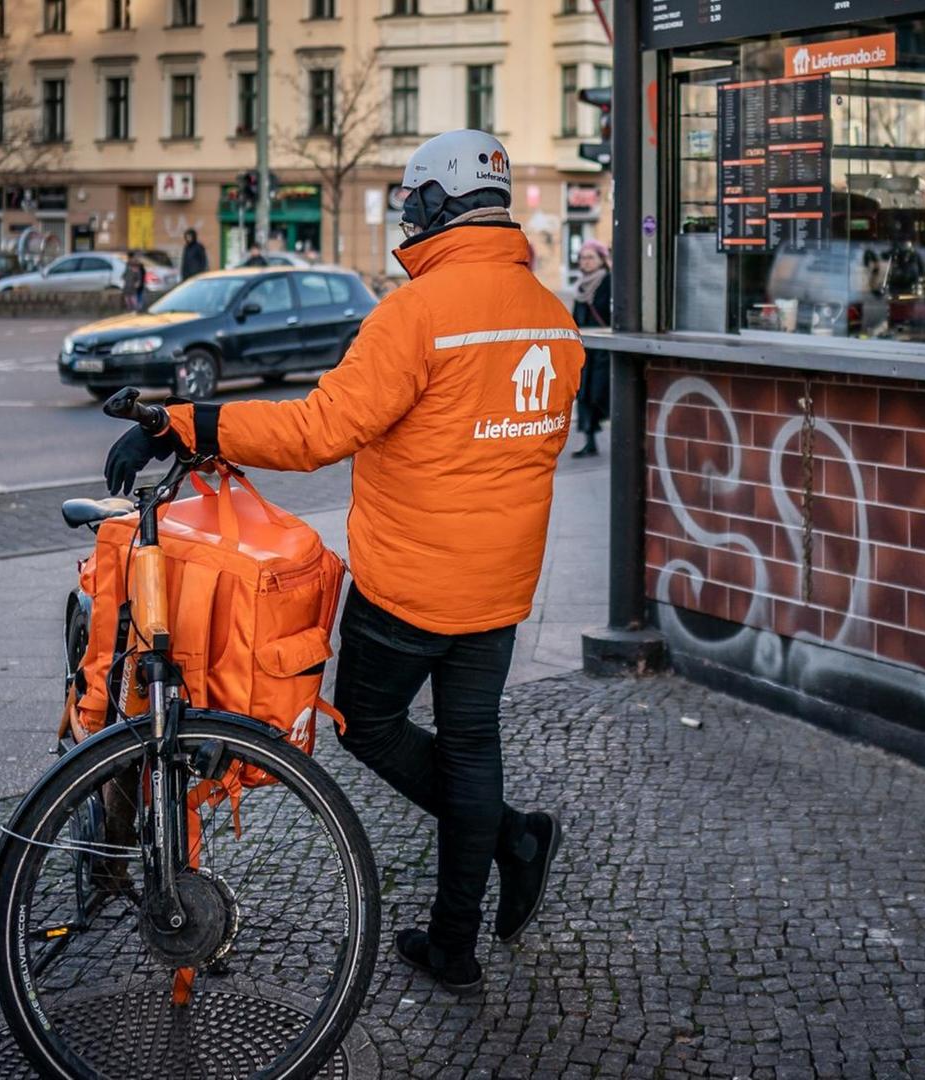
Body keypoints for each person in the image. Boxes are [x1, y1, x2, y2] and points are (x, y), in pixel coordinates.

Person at [103, 129, 580, 995]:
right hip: (502, 581)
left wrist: (188, 421)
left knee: (366, 723)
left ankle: (511, 837)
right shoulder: (548, 311)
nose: (407, 218)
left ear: (433, 204)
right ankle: (456, 940)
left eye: (411, 203)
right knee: (471, 746)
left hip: (410, 584)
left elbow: (317, 432)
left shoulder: (417, 313)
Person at [570, 239, 612, 458]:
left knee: (599, 392)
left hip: (605, 348)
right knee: (584, 393)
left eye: (590, 258)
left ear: (601, 260)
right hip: (586, 347)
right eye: (582, 258)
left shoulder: (609, 282)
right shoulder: (580, 286)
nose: (585, 262)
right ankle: (589, 439)